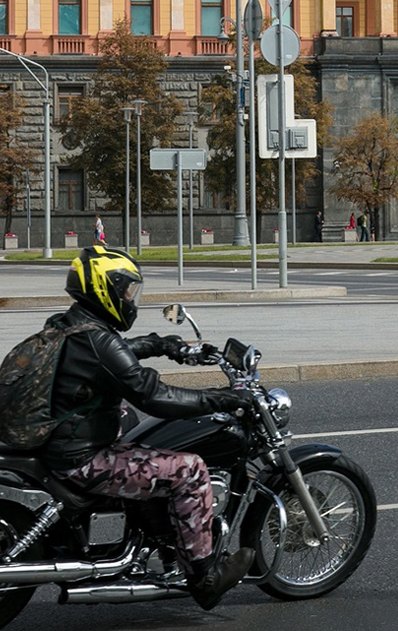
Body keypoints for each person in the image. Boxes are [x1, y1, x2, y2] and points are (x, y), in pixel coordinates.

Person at [39, 246, 254, 610]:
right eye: (126, 291)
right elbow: (153, 395)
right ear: (105, 290)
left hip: (61, 439)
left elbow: (111, 355)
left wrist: (157, 345)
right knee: (190, 470)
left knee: (129, 421)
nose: (130, 300)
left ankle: (156, 526)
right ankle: (205, 578)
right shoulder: (97, 339)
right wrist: (222, 398)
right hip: (80, 458)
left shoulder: (68, 324)